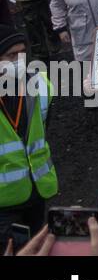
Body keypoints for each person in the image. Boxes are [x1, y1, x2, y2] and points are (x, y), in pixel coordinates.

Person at [0, 28, 56, 237]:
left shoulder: (40, 85)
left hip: (37, 190)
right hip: (4, 203)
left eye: (22, 53)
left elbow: (41, 130)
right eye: (11, 55)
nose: (18, 61)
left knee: (35, 241)